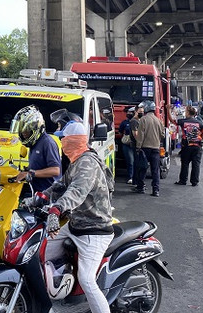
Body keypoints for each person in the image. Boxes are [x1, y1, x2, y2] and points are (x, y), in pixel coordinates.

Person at [40, 121, 114, 313]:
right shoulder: (77, 162)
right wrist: (40, 198)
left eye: (63, 139)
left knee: (87, 279)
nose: (61, 143)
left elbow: (76, 191)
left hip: (95, 229)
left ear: (72, 140)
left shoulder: (87, 163)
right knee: (44, 250)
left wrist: (56, 209)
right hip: (76, 224)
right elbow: (61, 186)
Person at [11, 105, 61, 192]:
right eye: (21, 129)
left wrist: (31, 173)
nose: (23, 133)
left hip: (48, 194)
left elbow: (55, 170)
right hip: (36, 191)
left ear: (35, 127)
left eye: (26, 129)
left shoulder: (47, 143)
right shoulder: (34, 143)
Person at [133, 100, 165, 197]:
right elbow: (163, 134)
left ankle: (141, 187)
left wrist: (138, 146)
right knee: (155, 170)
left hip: (145, 148)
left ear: (146, 109)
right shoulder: (158, 121)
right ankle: (156, 190)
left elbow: (141, 135)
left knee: (142, 168)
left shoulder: (143, 119)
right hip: (156, 148)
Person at [174, 106, 203, 187]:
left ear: (187, 113)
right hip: (197, 146)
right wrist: (199, 138)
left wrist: (168, 110)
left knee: (185, 163)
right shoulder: (199, 123)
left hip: (187, 146)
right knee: (196, 164)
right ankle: (194, 181)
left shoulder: (183, 122)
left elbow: (172, 121)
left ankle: (183, 180)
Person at [118, 106, 135, 184]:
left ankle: (136, 177)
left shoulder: (139, 122)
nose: (128, 114)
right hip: (127, 144)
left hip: (136, 144)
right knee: (130, 161)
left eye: (130, 112)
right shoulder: (124, 122)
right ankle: (130, 176)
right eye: (127, 112)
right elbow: (120, 132)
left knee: (137, 161)